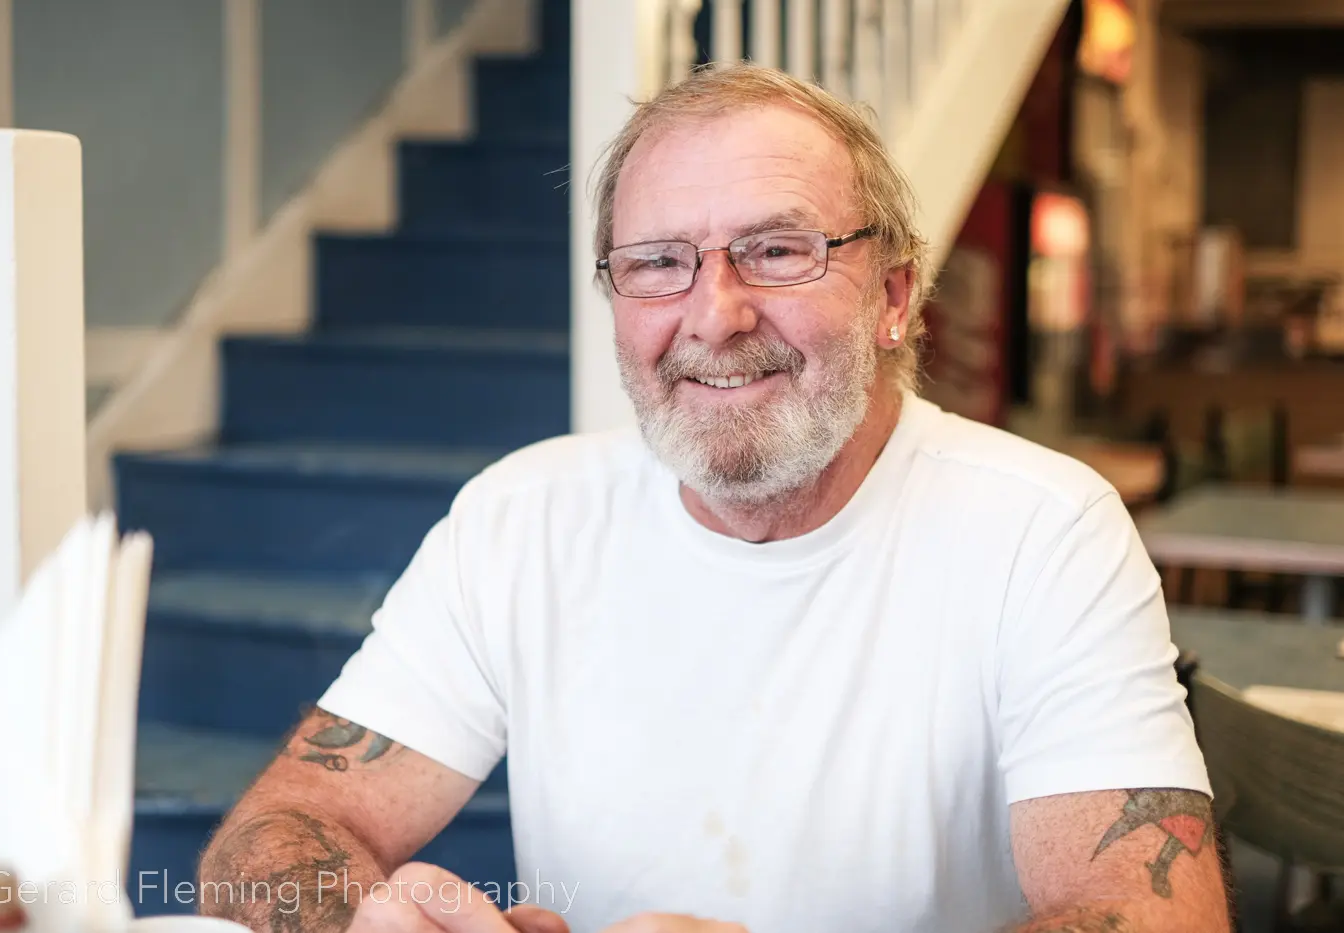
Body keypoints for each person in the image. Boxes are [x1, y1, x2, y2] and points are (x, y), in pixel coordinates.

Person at [197, 62, 1230, 933]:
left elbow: (1153, 915)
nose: (715, 314)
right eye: (657, 264)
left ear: (892, 297)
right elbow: (267, 837)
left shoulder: (1040, 530)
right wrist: (362, 918)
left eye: (777, 251)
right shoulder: (521, 516)